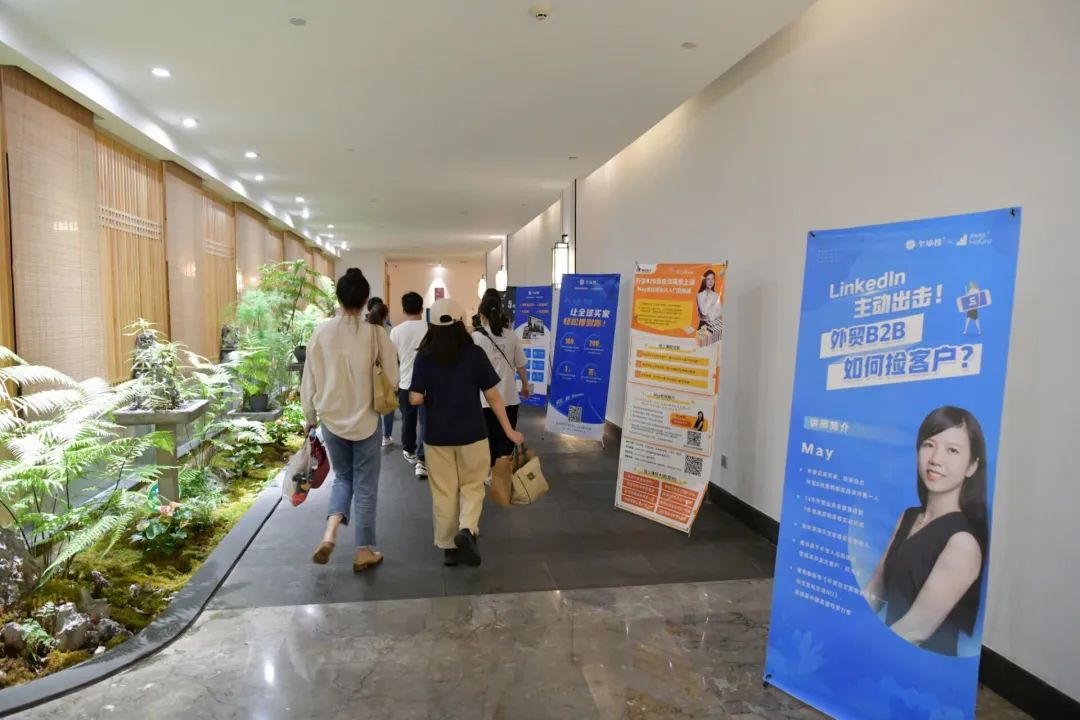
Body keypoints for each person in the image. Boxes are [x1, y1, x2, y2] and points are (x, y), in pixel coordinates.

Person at [862, 406, 988, 656]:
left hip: (919, 665)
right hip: (885, 649)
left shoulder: (962, 542)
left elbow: (914, 631)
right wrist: (845, 622)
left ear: (972, 466)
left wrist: (862, 650)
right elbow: (875, 589)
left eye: (952, 450)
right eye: (929, 445)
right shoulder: (908, 517)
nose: (935, 459)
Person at [409, 298, 524, 568]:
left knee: (444, 492)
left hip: (437, 437)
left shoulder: (424, 356)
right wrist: (509, 431)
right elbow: (493, 396)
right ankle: (467, 529)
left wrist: (428, 396)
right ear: (461, 322)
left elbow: (414, 398)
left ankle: (449, 548)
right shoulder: (474, 354)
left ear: (431, 325)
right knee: (472, 486)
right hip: (473, 433)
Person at [301, 268, 399, 573]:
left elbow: (308, 380)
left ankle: (330, 533)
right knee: (366, 485)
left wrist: (309, 417)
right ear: (366, 299)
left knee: (343, 478)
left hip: (331, 420)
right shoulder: (376, 334)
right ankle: (364, 551)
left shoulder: (321, 332)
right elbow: (393, 378)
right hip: (367, 419)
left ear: (339, 297)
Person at [472, 294, 530, 466]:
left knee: (488, 439)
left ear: (482, 316)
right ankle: (503, 473)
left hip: (486, 399)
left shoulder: (476, 338)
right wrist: (525, 385)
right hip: (509, 397)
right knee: (507, 438)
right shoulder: (512, 336)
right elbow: (520, 365)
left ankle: (490, 473)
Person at [390, 291, 429, 479]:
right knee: (426, 421)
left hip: (405, 382)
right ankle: (423, 458)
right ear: (421, 308)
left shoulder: (396, 331)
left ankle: (409, 450)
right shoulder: (430, 328)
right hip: (427, 383)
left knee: (408, 419)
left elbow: (392, 358)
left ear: (403, 309)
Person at [366, 301, 397, 448]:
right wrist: (394, 383)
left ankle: (371, 434)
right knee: (386, 405)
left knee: (371, 408)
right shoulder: (387, 331)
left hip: (367, 375)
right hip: (383, 374)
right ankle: (386, 436)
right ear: (385, 316)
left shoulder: (363, 329)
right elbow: (391, 355)